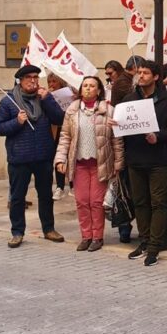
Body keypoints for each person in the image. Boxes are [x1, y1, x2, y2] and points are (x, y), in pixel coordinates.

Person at [0, 65, 65, 248]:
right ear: (20, 80)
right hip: (19, 158)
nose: (33, 80)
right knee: (17, 198)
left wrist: (48, 100)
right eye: (29, 77)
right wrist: (16, 122)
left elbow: (60, 119)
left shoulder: (44, 98)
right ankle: (17, 232)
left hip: (43, 156)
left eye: (36, 77)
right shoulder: (9, 101)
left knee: (46, 196)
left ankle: (49, 229)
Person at [122, 60, 167, 266]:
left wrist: (158, 136)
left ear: (156, 77)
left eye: (145, 73)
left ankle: (154, 246)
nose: (140, 76)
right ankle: (144, 241)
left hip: (159, 160)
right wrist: (117, 123)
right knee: (140, 202)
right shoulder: (130, 99)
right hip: (135, 159)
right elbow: (123, 126)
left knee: (158, 203)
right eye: (139, 72)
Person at [54, 76, 124, 252]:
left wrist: (118, 162)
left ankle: (97, 237)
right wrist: (60, 159)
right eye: (84, 85)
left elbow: (116, 139)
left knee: (96, 202)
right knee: (81, 201)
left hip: (100, 163)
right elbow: (65, 136)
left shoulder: (108, 110)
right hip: (79, 164)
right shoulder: (72, 110)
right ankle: (86, 236)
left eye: (92, 86)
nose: (87, 88)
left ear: (99, 90)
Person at [104, 60, 135, 243]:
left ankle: (125, 225)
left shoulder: (124, 82)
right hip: (123, 139)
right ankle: (124, 225)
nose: (109, 77)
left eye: (110, 73)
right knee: (122, 189)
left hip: (128, 140)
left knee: (125, 189)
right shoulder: (122, 83)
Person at [47, 73, 73, 202]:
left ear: (61, 82)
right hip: (55, 130)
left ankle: (73, 185)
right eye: (49, 82)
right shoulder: (47, 96)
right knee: (58, 158)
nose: (51, 84)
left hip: (70, 129)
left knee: (71, 157)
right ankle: (60, 186)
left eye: (54, 81)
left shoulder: (70, 94)